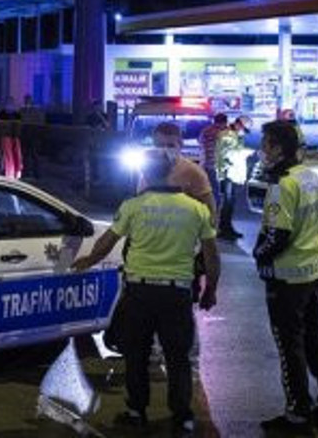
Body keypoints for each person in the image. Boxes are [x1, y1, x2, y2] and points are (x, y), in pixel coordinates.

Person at [73, 147, 220, 438]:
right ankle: (182, 418)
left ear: (144, 174)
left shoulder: (133, 205)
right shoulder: (196, 209)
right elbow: (212, 255)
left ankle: (136, 412)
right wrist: (210, 290)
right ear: (170, 172)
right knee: (178, 358)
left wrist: (88, 261)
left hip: (139, 293)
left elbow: (107, 241)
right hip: (176, 294)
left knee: (136, 356)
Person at [253, 120, 318, 434]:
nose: (262, 150)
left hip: (288, 280)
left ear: (278, 147)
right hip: (315, 273)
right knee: (315, 341)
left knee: (289, 348)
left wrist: (258, 254)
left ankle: (298, 416)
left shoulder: (282, 185)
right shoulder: (310, 176)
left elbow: (277, 236)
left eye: (265, 144)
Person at [215, 117, 251, 240]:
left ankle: (226, 227)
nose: (243, 132)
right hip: (227, 174)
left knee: (230, 202)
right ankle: (224, 229)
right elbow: (230, 154)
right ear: (238, 124)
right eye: (243, 129)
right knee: (228, 202)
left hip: (231, 173)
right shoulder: (227, 136)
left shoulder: (234, 135)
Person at [199, 114, 230, 235]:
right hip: (216, 167)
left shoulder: (205, 131)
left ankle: (206, 220)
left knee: (207, 193)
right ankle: (214, 223)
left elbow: (200, 143)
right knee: (217, 197)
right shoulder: (222, 133)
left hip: (205, 166)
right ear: (223, 122)